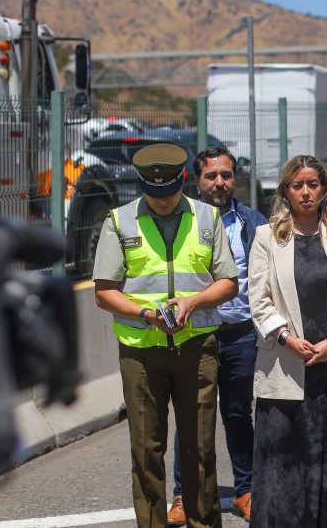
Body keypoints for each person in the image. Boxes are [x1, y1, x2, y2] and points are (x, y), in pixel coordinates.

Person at [93, 143, 238, 528]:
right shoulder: (119, 221)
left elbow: (229, 284)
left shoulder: (207, 217)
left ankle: (204, 523)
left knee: (200, 450)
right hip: (141, 352)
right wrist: (144, 314)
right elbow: (104, 292)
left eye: (168, 193)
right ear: (141, 184)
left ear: (183, 181)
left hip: (196, 348)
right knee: (146, 453)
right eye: (152, 193)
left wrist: (194, 302)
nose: (160, 200)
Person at [249, 155, 327, 528]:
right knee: (282, 465)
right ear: (286, 190)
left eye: (313, 184)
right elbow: (258, 300)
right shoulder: (267, 237)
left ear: (324, 188)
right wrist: (286, 338)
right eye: (297, 185)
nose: (305, 192)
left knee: (325, 462)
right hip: (284, 365)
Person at [165, 146, 266, 526]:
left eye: (226, 175)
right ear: (197, 180)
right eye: (212, 176)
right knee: (190, 416)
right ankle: (182, 495)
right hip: (195, 335)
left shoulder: (253, 222)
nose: (220, 182)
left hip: (240, 335)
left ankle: (245, 490)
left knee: (239, 415)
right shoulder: (181, 221)